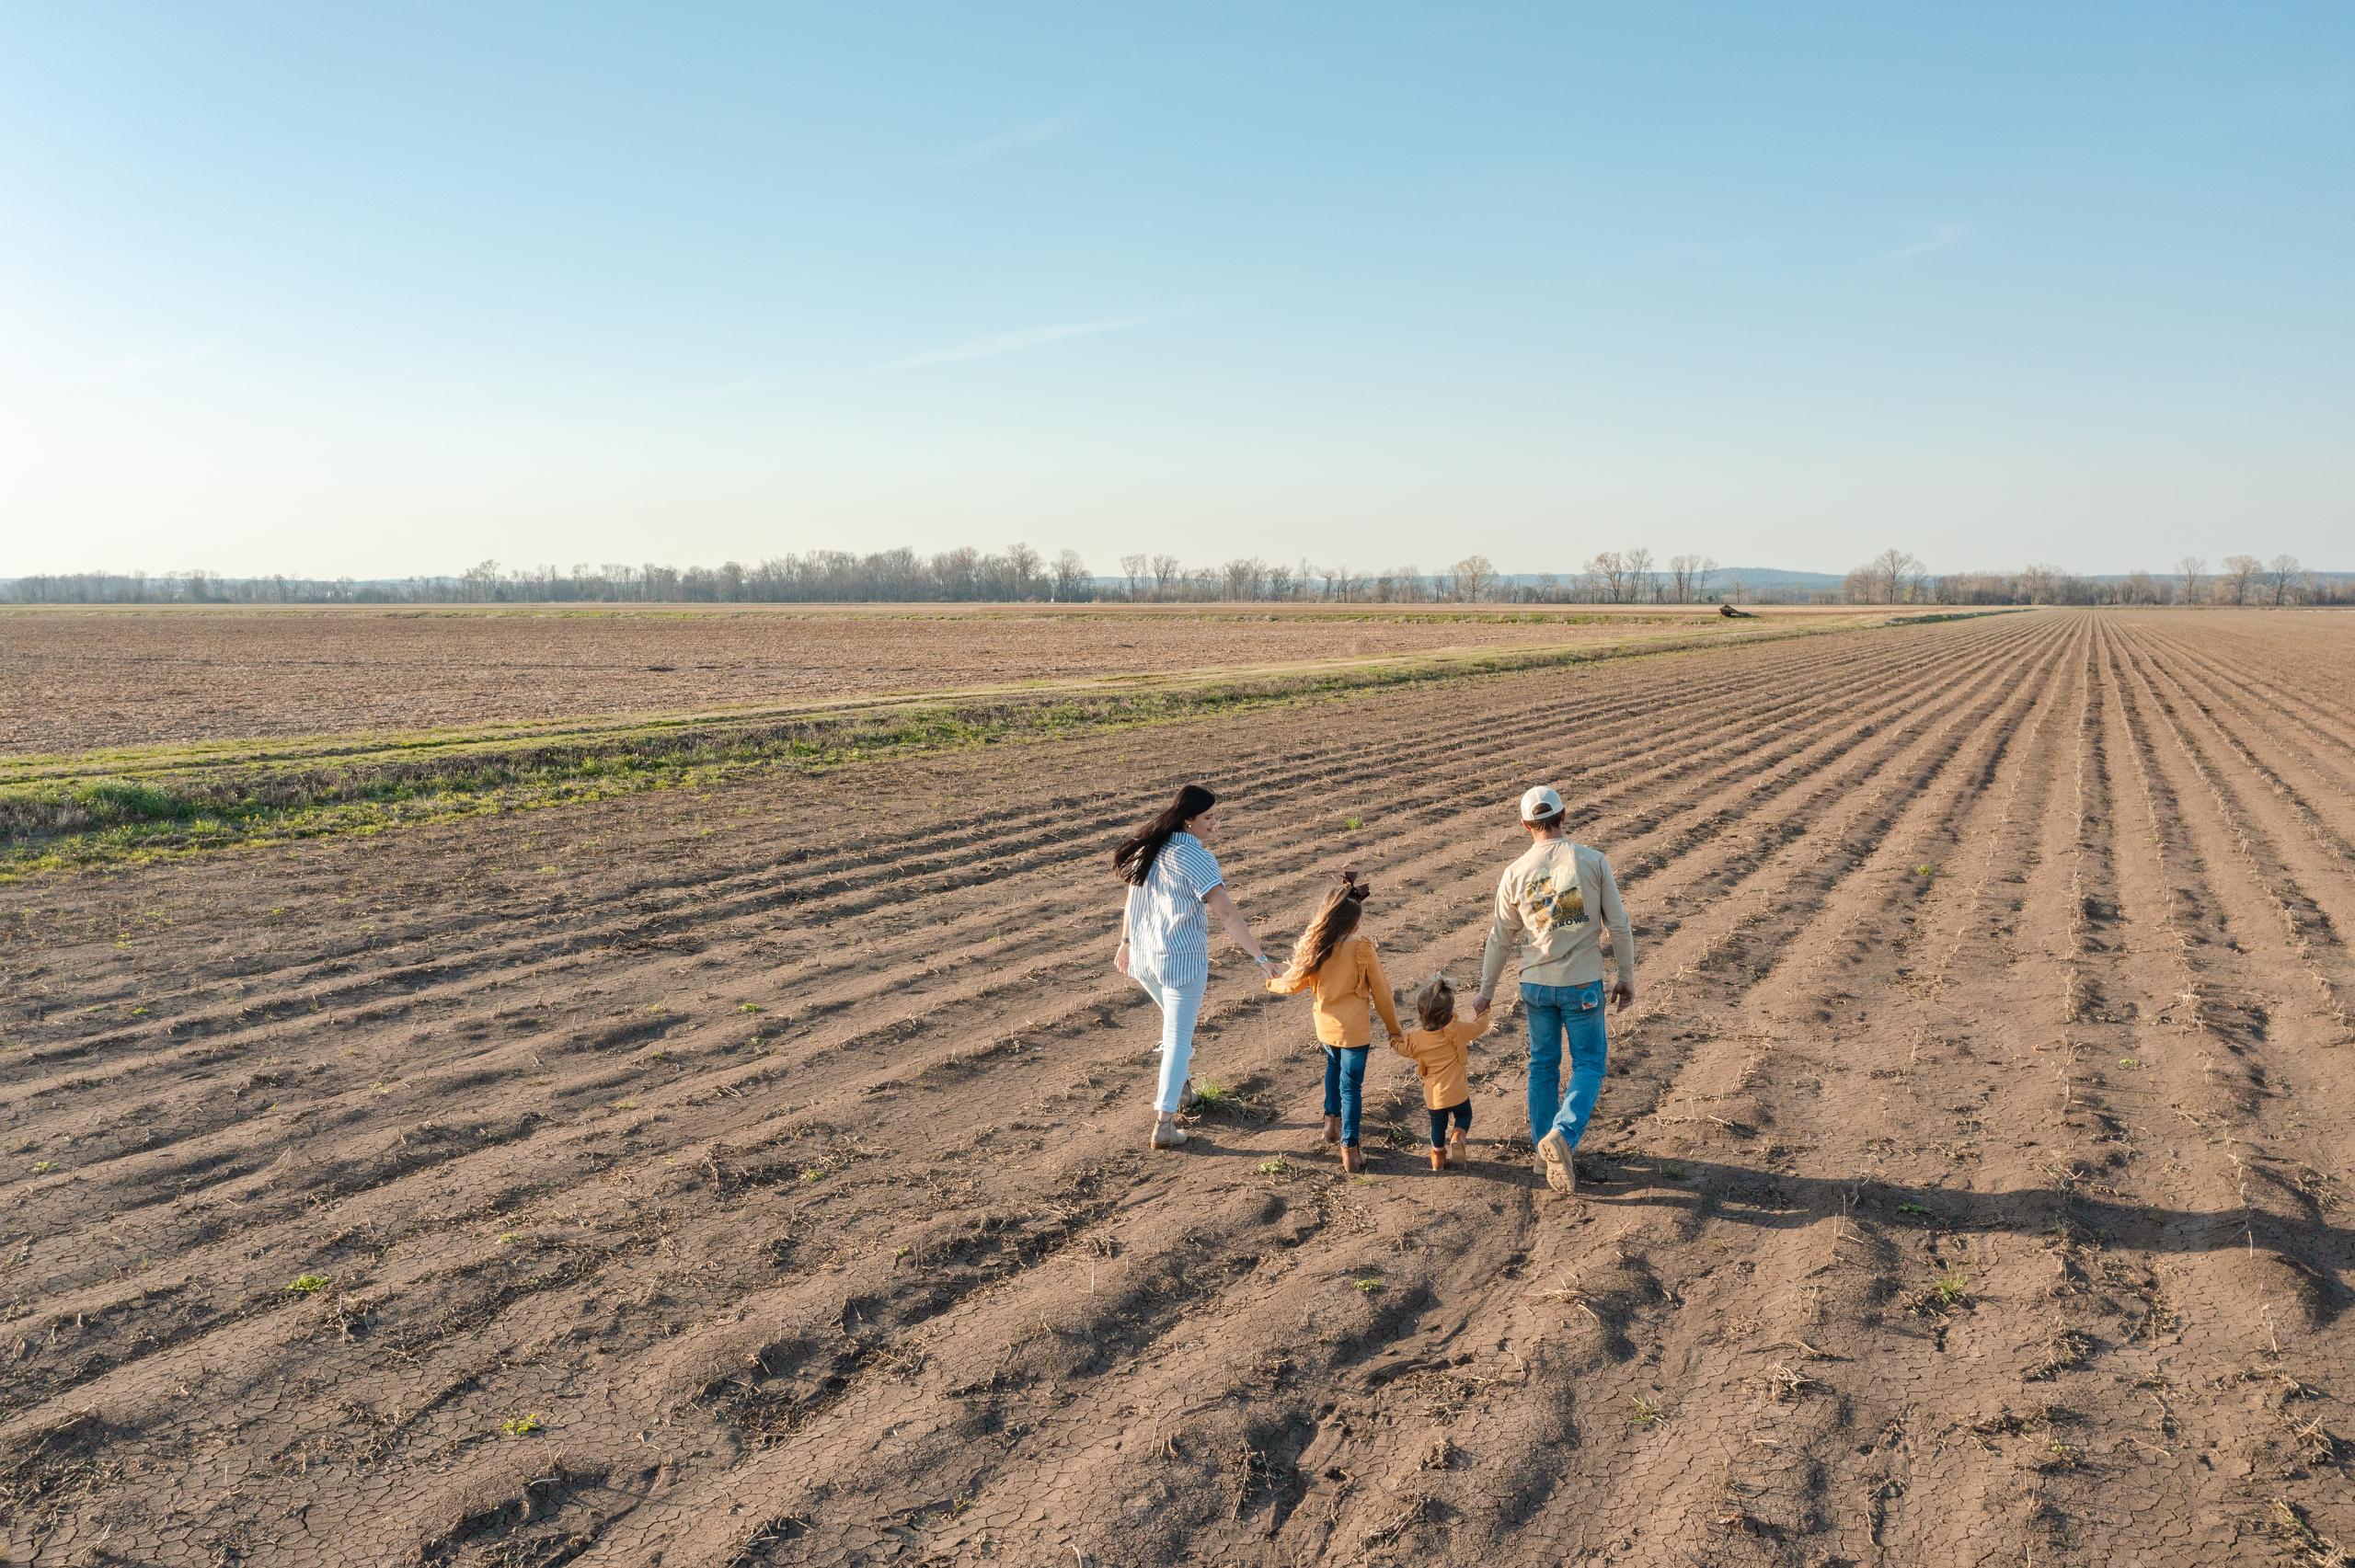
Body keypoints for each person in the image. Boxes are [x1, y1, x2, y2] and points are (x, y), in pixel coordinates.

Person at [1474, 785, 1636, 1195]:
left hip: (1535, 985)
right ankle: (1561, 1136)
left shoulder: (1514, 872)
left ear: (1526, 825)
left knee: (1542, 1066)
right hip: (1582, 983)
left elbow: (1500, 938)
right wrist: (1626, 976)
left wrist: (1485, 991)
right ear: (1565, 816)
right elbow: (1618, 924)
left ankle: (1539, 1150)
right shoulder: (1592, 860)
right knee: (1590, 1065)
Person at [1114, 783, 1276, 1150]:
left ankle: (1183, 1091)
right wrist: (1262, 959)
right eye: (1208, 817)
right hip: (1181, 962)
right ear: (1188, 820)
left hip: (1144, 959)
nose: (1214, 823)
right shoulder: (1197, 857)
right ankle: (1165, 1123)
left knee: (1175, 1031)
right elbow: (1226, 912)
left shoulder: (1150, 848)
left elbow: (1131, 897)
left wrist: (1125, 944)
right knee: (1177, 1040)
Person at [1265, 870, 1406, 1173]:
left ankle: (1331, 1122)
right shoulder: (1364, 950)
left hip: (1326, 1029)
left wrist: (1271, 983)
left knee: (1332, 1068)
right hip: (1355, 1033)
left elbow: (1292, 984)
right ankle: (1350, 1150)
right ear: (1354, 922)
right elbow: (1382, 996)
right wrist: (1394, 1030)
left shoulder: (1317, 950)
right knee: (1351, 1087)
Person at [1392, 974, 1492, 1171]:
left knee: (1437, 1125)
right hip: (1458, 1092)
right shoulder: (1458, 1030)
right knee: (1464, 1116)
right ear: (1450, 1011)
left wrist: (1393, 1036)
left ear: (1421, 1013)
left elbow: (1399, 1047)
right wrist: (1483, 1012)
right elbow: (1480, 1027)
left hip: (1435, 1096)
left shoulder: (1416, 1040)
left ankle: (1437, 1159)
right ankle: (1458, 1136)